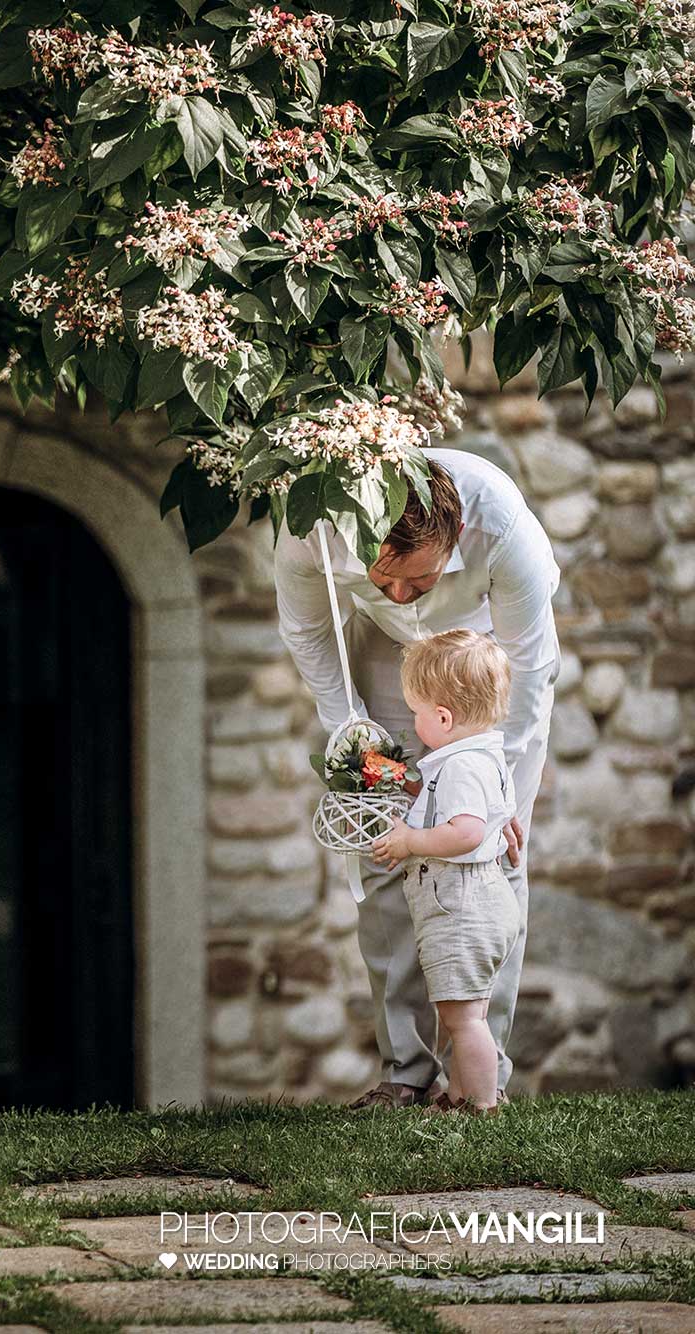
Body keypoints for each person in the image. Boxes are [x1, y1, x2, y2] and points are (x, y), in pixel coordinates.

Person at [274, 449, 560, 1108]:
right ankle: (405, 1071)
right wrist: (352, 728)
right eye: (384, 578)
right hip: (377, 654)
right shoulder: (309, 525)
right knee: (385, 849)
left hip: (484, 659)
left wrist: (500, 792)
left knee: (493, 854)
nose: (401, 595)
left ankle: (477, 1078)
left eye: (420, 580)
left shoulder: (500, 522)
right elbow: (309, 634)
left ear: (454, 538)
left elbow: (531, 666)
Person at [367, 631, 520, 1113]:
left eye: (416, 711)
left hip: (461, 906)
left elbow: (466, 831)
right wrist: (411, 791)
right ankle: (462, 1095)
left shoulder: (461, 768)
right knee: (465, 1013)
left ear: (444, 717)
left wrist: (409, 840)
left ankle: (475, 1105)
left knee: (463, 1019)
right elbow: (453, 809)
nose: (412, 721)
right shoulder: (481, 757)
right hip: (482, 899)